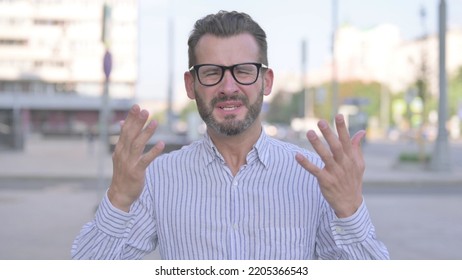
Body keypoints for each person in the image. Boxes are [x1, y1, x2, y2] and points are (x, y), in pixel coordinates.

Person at [72, 10, 389, 260]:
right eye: (211, 72)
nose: (228, 87)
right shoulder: (158, 178)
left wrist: (350, 210)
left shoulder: (314, 177)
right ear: (190, 85)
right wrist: (118, 199)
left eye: (244, 70)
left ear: (266, 81)